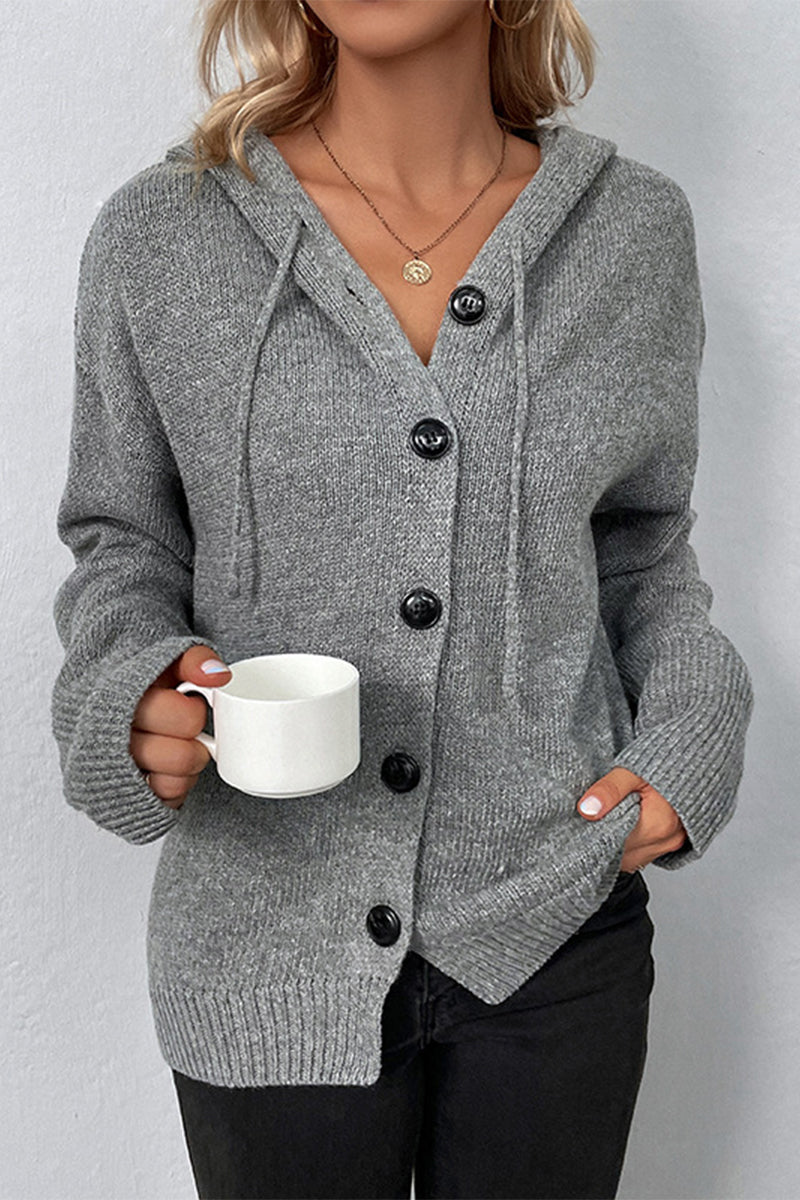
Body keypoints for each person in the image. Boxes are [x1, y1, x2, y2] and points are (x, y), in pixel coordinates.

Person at [50, 1, 755, 1197]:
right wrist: (130, 694)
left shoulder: (629, 233)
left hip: (556, 925)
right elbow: (121, 543)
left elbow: (641, 549)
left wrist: (691, 732)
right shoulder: (162, 235)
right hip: (263, 934)